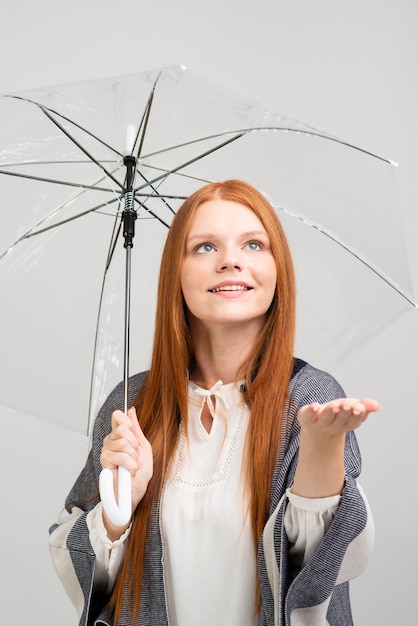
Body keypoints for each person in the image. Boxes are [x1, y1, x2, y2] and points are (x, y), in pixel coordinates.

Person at [49, 179, 380, 626]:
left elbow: (316, 578)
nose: (230, 261)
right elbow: (90, 579)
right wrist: (116, 513)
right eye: (205, 247)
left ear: (278, 267)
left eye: (254, 245)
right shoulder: (133, 405)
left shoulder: (311, 397)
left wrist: (321, 450)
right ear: (176, 272)